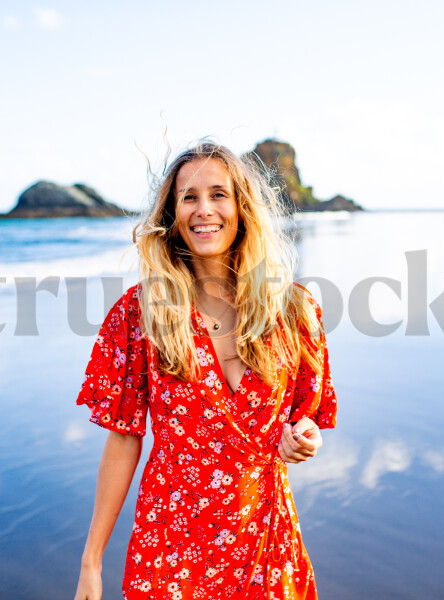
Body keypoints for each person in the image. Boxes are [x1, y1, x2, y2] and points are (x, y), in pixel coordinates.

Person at [74, 141, 338, 599]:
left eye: (218, 194)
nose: (203, 210)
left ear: (242, 207)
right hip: (171, 554)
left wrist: (303, 437)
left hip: (267, 547)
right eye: (188, 197)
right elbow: (122, 437)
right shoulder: (141, 315)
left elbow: (305, 415)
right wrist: (91, 562)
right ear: (172, 214)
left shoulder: (293, 311)